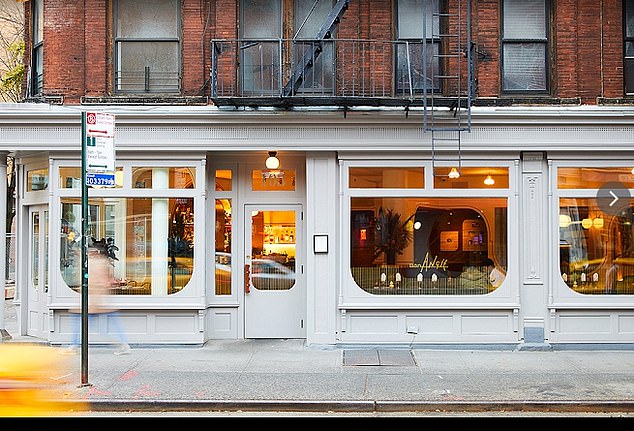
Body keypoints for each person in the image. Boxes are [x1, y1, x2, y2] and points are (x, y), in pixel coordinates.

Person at [64, 239, 131, 355]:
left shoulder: (91, 263)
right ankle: (123, 343)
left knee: (86, 324)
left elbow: (94, 282)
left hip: (94, 301)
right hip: (99, 301)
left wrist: (92, 299)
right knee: (107, 324)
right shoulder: (100, 262)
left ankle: (74, 345)